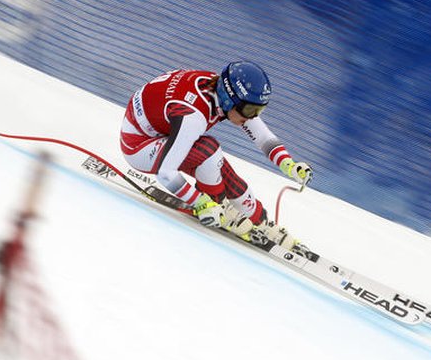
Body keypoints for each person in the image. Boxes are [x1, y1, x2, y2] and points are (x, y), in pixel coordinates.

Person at [119, 61, 312, 250]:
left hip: (162, 129)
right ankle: (220, 208)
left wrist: (289, 164)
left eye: (259, 110)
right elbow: (166, 173)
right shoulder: (192, 116)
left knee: (217, 164)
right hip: (138, 145)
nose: (253, 117)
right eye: (251, 110)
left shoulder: (221, 92)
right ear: (230, 100)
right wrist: (201, 203)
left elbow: (262, 135)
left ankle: (260, 221)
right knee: (209, 152)